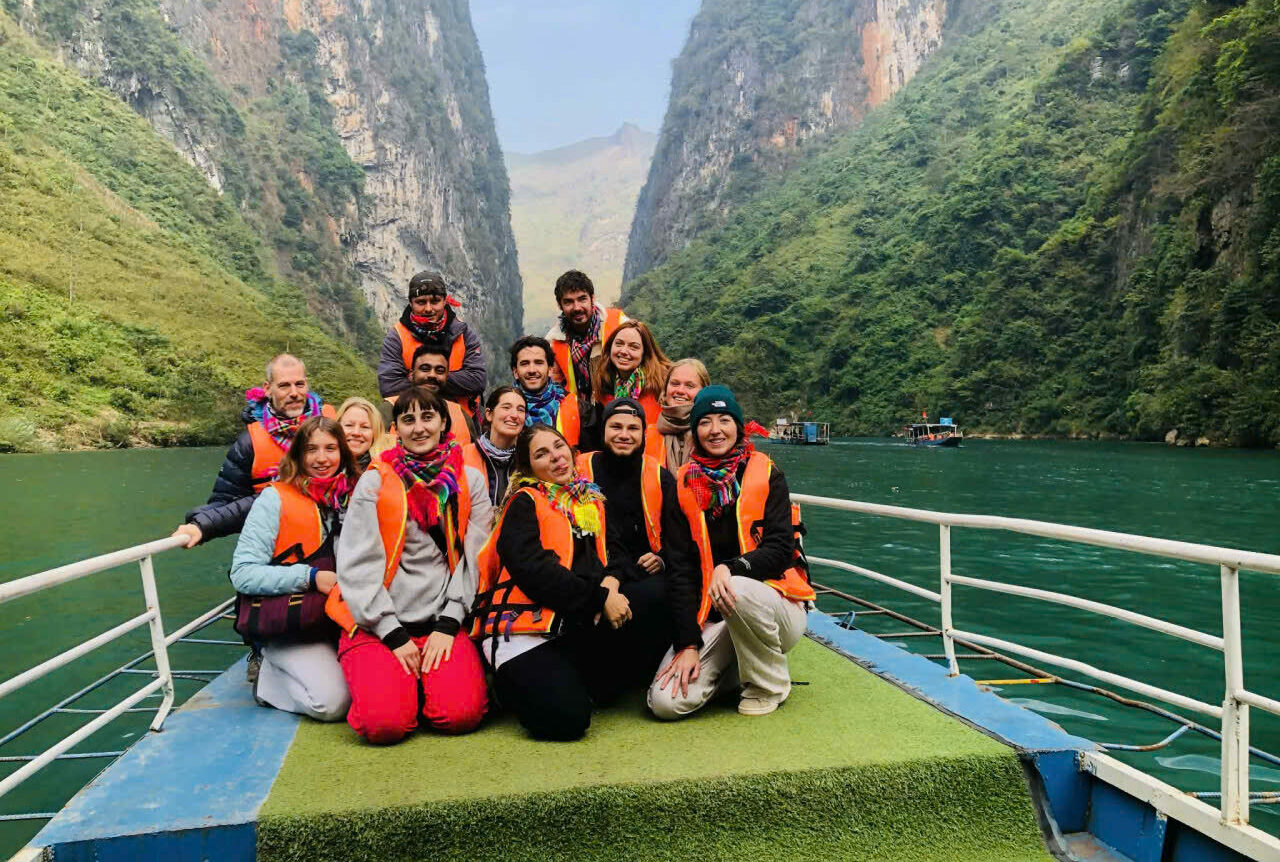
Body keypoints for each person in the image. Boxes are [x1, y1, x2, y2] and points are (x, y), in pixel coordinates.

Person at [471, 424, 671, 741]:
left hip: (572, 623)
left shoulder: (589, 500)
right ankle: (509, 686)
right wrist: (598, 599)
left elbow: (617, 555)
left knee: (657, 593)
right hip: (525, 630)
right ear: (528, 467)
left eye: (558, 447)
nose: (556, 457)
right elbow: (535, 572)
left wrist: (611, 586)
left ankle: (589, 682)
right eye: (542, 454)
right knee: (569, 719)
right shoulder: (523, 503)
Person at [328, 387, 491, 743]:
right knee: (384, 726)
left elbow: (476, 559)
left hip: (441, 620)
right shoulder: (375, 481)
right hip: (379, 626)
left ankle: (419, 685)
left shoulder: (470, 481)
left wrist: (449, 623)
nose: (419, 428)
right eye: (408, 419)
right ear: (395, 430)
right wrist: (393, 633)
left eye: (427, 417)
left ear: (444, 423)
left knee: (460, 716)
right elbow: (357, 564)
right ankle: (397, 685)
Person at [647, 385, 817, 719]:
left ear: (738, 427)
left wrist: (732, 567)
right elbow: (680, 569)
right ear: (695, 431)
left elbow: (781, 549)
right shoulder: (683, 485)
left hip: (775, 608)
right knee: (666, 703)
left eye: (724, 419)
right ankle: (733, 672)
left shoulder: (767, 473)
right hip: (714, 613)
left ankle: (769, 685)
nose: (715, 429)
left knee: (735, 586)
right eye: (705, 421)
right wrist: (687, 644)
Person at [229, 417, 353, 721]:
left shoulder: (351, 496)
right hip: (291, 625)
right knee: (333, 704)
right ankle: (267, 678)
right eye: (311, 449)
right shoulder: (274, 499)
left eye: (330, 448)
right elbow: (243, 573)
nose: (321, 458)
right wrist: (309, 577)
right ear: (298, 454)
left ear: (343, 453)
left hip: (336, 622)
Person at [174, 354, 334, 548]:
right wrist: (201, 525)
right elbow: (224, 501)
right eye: (284, 386)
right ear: (268, 389)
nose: (294, 393)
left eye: (299, 384)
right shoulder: (249, 443)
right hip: (278, 548)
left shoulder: (333, 425)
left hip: (333, 541)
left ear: (306, 385)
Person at [575, 398, 690, 588]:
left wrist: (662, 558)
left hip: (642, 575)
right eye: (616, 427)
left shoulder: (661, 478)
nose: (624, 435)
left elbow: (679, 537)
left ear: (643, 434)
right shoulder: (578, 470)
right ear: (603, 430)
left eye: (633, 429)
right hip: (588, 574)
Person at [377, 271, 486, 415]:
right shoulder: (396, 336)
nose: (428, 309)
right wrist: (444, 380)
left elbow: (477, 380)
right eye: (421, 302)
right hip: (414, 421)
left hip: (461, 422)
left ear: (445, 301)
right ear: (411, 303)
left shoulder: (463, 333)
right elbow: (390, 385)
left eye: (435, 301)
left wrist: (418, 377)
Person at [544, 270, 626, 437]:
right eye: (568, 302)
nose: (577, 307)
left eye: (582, 299)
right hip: (580, 417)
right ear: (560, 305)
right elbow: (553, 385)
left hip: (619, 410)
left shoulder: (618, 324)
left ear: (592, 298)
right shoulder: (554, 341)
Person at [591, 320, 670, 458]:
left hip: (658, 463)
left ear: (644, 352)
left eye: (633, 347)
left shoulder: (663, 384)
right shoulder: (604, 386)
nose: (624, 351)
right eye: (619, 344)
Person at [379, 345, 478, 445]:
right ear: (412, 375)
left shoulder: (462, 416)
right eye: (425, 369)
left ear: (447, 377)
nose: (432, 375)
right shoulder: (389, 409)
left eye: (439, 371)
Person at [510, 335, 583, 446]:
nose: (532, 370)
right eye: (525, 364)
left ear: (550, 370)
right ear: (515, 372)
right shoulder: (503, 412)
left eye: (539, 363)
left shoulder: (578, 407)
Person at [462, 386, 525, 506]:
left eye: (521, 409)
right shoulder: (464, 456)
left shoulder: (529, 459)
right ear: (489, 414)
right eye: (506, 407)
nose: (514, 415)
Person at [657, 358, 709, 471]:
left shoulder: (714, 434)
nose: (680, 390)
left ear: (704, 391)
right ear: (665, 388)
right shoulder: (645, 435)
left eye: (690, 386)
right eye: (674, 384)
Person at [336, 397, 388, 475]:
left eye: (365, 427)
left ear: (375, 433)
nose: (356, 432)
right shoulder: (322, 466)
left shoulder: (385, 472)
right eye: (349, 425)